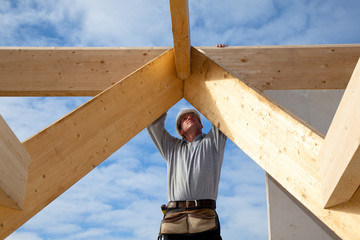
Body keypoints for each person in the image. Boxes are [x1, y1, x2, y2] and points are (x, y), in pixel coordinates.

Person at [147, 108, 227, 240]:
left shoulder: (213, 141)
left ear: (201, 125)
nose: (189, 118)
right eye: (185, 118)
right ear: (181, 131)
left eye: (193, 116)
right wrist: (167, 94)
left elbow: (222, 114)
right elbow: (153, 124)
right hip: (175, 220)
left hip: (205, 218)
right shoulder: (172, 148)